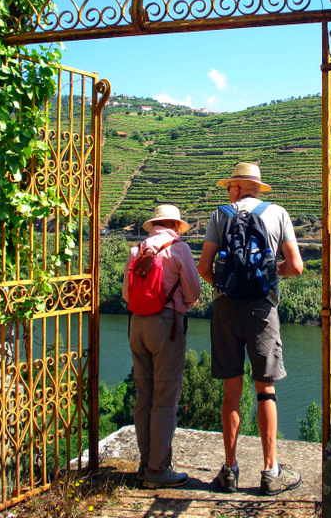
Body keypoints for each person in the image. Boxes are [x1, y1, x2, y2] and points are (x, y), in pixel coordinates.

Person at [198, 162, 304, 496]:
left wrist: (224, 288)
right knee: (265, 391)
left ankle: (229, 471)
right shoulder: (278, 213)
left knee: (232, 392)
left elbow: (204, 267)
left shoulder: (221, 215)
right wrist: (271, 278)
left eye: (229, 186)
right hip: (263, 309)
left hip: (226, 309)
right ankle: (270, 472)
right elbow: (297, 266)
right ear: (257, 187)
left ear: (237, 187)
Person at [122, 204, 201, 489]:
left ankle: (145, 466)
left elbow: (125, 293)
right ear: (175, 225)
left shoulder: (137, 249)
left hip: (136, 325)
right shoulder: (178, 249)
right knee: (165, 397)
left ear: (155, 224)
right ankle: (158, 469)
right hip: (165, 326)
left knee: (144, 396)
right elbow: (192, 293)